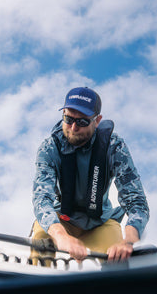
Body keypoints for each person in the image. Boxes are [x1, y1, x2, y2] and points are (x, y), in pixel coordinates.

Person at [32, 86, 149, 263]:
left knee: (118, 259)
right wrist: (61, 236)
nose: (73, 127)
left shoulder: (115, 147)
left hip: (100, 223)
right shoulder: (49, 148)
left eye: (82, 122)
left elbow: (136, 201)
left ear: (97, 120)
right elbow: (41, 198)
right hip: (61, 219)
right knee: (41, 241)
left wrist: (128, 241)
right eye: (68, 119)